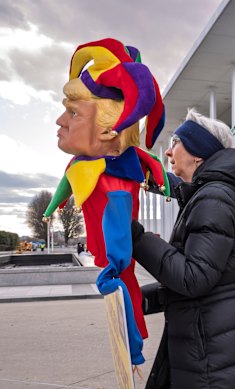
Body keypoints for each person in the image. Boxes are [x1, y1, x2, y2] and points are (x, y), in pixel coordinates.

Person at [43, 38, 169, 365]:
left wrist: (114, 262)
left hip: (115, 261)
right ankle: (132, 346)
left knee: (121, 282)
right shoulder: (84, 167)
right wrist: (51, 206)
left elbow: (118, 220)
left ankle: (133, 349)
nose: (61, 121)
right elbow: (66, 185)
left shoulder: (116, 179)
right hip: (111, 259)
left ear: (107, 132)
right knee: (119, 282)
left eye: (73, 113)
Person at [130, 108, 235, 388]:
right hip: (215, 344)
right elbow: (214, 282)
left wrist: (135, 237)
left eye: (175, 142)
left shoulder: (213, 198)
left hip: (215, 356)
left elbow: (193, 277)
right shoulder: (210, 195)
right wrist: (140, 299)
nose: (169, 153)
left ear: (198, 153)